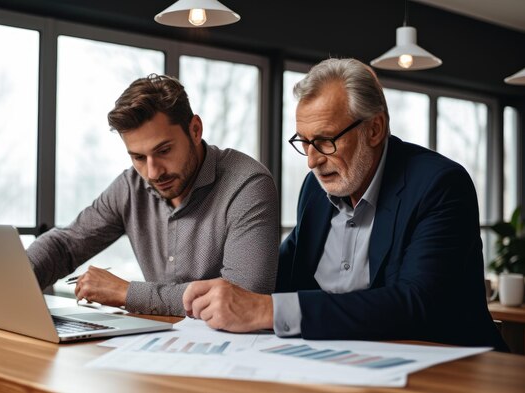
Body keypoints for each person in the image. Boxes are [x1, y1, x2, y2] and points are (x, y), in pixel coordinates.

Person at [183, 58, 508, 351]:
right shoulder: (314, 189)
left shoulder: (439, 184)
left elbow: (416, 304)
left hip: (450, 370)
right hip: (340, 363)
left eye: (324, 140)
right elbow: (280, 269)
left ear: (374, 129)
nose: (311, 161)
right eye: (304, 142)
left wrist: (267, 310)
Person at [27, 74, 279, 316]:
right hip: (156, 344)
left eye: (164, 150)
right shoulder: (130, 186)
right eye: (138, 157)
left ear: (195, 130)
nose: (153, 171)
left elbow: (243, 296)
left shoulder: (247, 185)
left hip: (232, 350)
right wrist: (12, 277)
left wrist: (127, 293)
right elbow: (65, 246)